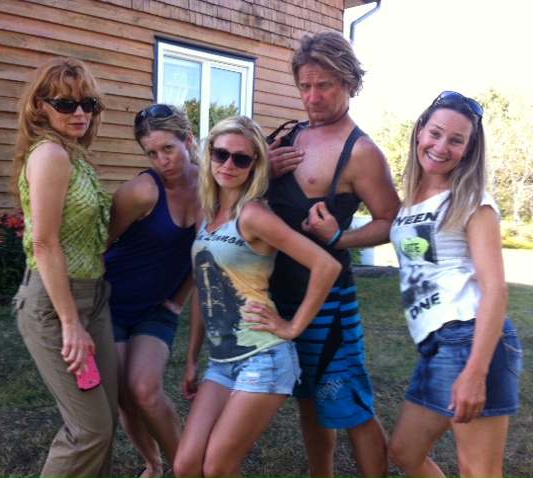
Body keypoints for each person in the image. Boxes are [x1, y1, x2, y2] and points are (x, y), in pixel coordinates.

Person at [172, 115, 342, 478]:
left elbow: (326, 266)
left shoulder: (253, 215)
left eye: (241, 158)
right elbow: (204, 286)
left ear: (254, 166)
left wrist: (292, 327)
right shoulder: (207, 214)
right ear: (210, 155)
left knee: (217, 467)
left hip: (263, 359)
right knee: (186, 465)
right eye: (221, 154)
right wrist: (192, 358)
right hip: (221, 362)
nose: (228, 164)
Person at [267, 31, 399, 477]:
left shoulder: (361, 151)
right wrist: (262, 171)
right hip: (281, 295)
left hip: (328, 304)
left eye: (324, 85)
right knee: (309, 400)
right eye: (305, 86)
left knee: (351, 405)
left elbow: (390, 221)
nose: (312, 97)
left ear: (350, 83)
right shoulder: (290, 135)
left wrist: (339, 237)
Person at [387, 91, 522, 478]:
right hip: (435, 345)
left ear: (468, 150)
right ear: (420, 131)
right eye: (435, 133)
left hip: (470, 339)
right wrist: (336, 237)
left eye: (456, 140)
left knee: (478, 470)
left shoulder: (473, 200)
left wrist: (476, 371)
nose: (441, 146)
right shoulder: (411, 200)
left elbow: (495, 289)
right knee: (405, 452)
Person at [10, 57, 118, 478]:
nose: (79, 114)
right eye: (65, 103)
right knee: (90, 431)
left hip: (94, 298)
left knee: (105, 421)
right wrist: (71, 323)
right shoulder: (50, 154)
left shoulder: (75, 156)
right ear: (41, 106)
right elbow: (44, 242)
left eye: (88, 104)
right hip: (56, 306)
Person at [103, 104, 199, 478]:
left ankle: (187, 470)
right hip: (111, 303)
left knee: (144, 388)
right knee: (124, 396)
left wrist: (179, 300)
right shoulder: (142, 191)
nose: (162, 161)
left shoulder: (212, 187)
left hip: (157, 307)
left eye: (168, 148)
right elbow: (98, 247)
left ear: (187, 140)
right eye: (152, 153)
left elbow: (207, 253)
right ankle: (154, 464)